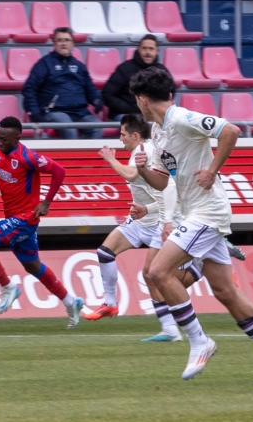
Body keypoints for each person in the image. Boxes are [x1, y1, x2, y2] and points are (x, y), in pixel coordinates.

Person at [129, 67, 253, 383]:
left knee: (157, 272)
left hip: (208, 212)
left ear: (142, 99)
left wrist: (213, 169)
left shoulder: (181, 119)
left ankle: (199, 341)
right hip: (193, 212)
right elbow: (164, 182)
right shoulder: (158, 130)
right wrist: (142, 171)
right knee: (225, 290)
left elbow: (230, 130)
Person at [84, 113, 203, 344]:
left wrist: (110, 158)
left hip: (160, 223)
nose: (120, 139)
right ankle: (110, 304)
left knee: (155, 276)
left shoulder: (145, 151)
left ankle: (200, 268)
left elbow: (132, 174)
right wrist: (145, 210)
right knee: (105, 253)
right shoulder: (141, 152)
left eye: (123, 134)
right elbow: (157, 192)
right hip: (143, 219)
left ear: (135, 135)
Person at [0, 116, 85, 329]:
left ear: (17, 137)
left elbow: (59, 171)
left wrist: (46, 202)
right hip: (14, 219)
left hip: (26, 218)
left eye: (4, 139)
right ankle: (71, 302)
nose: (0, 142)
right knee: (32, 265)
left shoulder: (28, 157)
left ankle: (8, 287)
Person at [22, 27, 104, 140]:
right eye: (59, 40)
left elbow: (90, 89)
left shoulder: (79, 66)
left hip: (79, 112)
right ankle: (73, 157)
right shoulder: (44, 64)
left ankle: (90, 157)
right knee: (68, 126)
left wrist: (97, 100)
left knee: (97, 126)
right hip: (54, 112)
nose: (63, 43)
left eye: (66, 40)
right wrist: (34, 111)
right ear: (54, 44)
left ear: (72, 44)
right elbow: (29, 89)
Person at [102, 34, 170, 122]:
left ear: (157, 51)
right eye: (144, 48)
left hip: (152, 115)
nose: (147, 52)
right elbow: (107, 94)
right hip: (125, 114)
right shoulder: (124, 69)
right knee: (138, 126)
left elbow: (170, 92)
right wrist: (130, 109)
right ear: (138, 50)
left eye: (151, 49)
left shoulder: (162, 71)